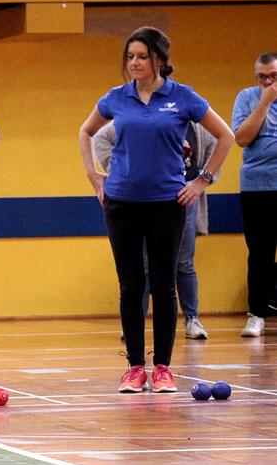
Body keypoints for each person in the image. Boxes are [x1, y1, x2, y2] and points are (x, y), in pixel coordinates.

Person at [79, 26, 233, 394]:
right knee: (131, 285)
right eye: (130, 56)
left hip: (168, 203)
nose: (134, 62)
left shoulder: (183, 98)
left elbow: (225, 135)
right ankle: (134, 367)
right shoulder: (116, 98)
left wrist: (202, 180)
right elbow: (86, 132)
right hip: (121, 204)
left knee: (165, 286)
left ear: (160, 60)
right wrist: (94, 176)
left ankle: (163, 367)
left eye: (142, 56)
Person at [92, 120, 218, 340]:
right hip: (146, 199)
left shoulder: (198, 125)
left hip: (183, 198)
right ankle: (135, 321)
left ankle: (192, 319)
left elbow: (219, 142)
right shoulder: (142, 118)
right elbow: (99, 136)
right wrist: (118, 170)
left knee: (183, 262)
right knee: (144, 264)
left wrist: (202, 180)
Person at [231, 52, 277, 338]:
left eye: (273, 76)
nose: (268, 81)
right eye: (262, 77)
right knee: (259, 252)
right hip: (257, 187)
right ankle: (256, 313)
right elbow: (241, 138)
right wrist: (265, 100)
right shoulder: (247, 97)